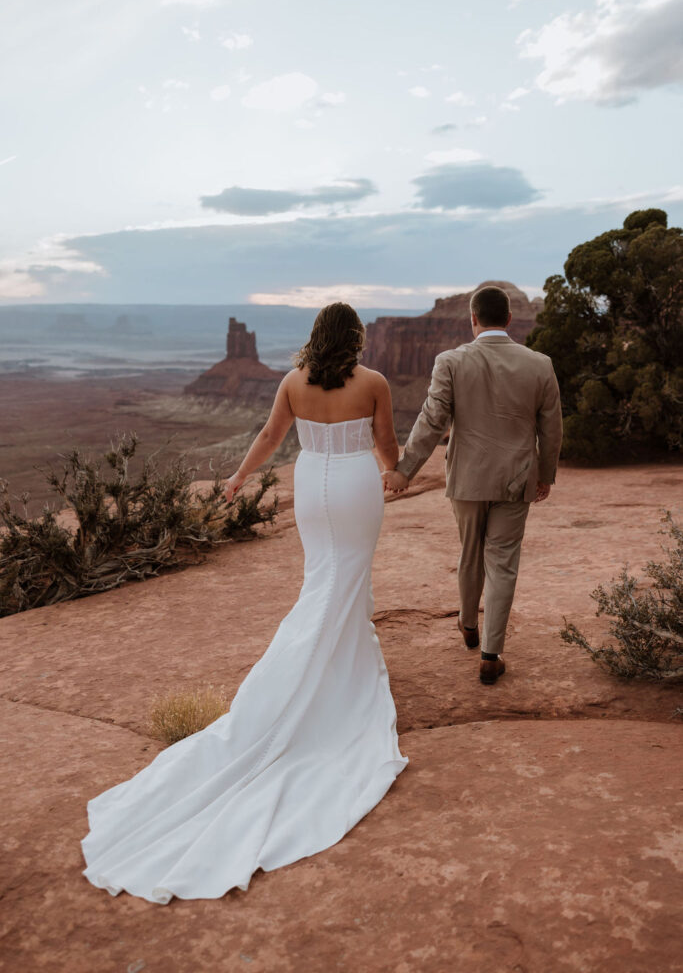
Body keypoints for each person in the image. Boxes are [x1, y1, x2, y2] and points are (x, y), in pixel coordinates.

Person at [81, 302, 408, 904]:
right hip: (358, 485)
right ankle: (325, 674)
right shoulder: (375, 383)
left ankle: (329, 663)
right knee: (344, 579)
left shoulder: (291, 382)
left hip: (311, 485)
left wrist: (236, 479)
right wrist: (397, 472)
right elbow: (386, 441)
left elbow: (269, 438)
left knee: (325, 578)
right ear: (356, 339)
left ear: (316, 337)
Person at [383, 285, 563, 685]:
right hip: (516, 479)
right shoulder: (540, 364)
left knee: (469, 551)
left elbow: (432, 421)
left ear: (473, 319)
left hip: (466, 478)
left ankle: (467, 625)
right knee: (502, 562)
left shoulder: (450, 361)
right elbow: (552, 428)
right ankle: (491, 653)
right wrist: (545, 475)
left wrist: (404, 470)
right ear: (510, 320)